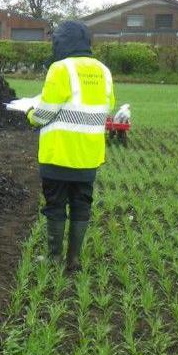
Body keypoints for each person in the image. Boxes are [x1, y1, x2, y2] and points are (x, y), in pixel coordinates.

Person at [26, 21, 115, 271]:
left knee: (55, 205)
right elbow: (106, 107)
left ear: (62, 42)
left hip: (59, 155)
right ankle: (73, 259)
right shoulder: (104, 71)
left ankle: (54, 258)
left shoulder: (60, 68)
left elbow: (44, 113)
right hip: (88, 156)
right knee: (82, 204)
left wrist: (30, 113)